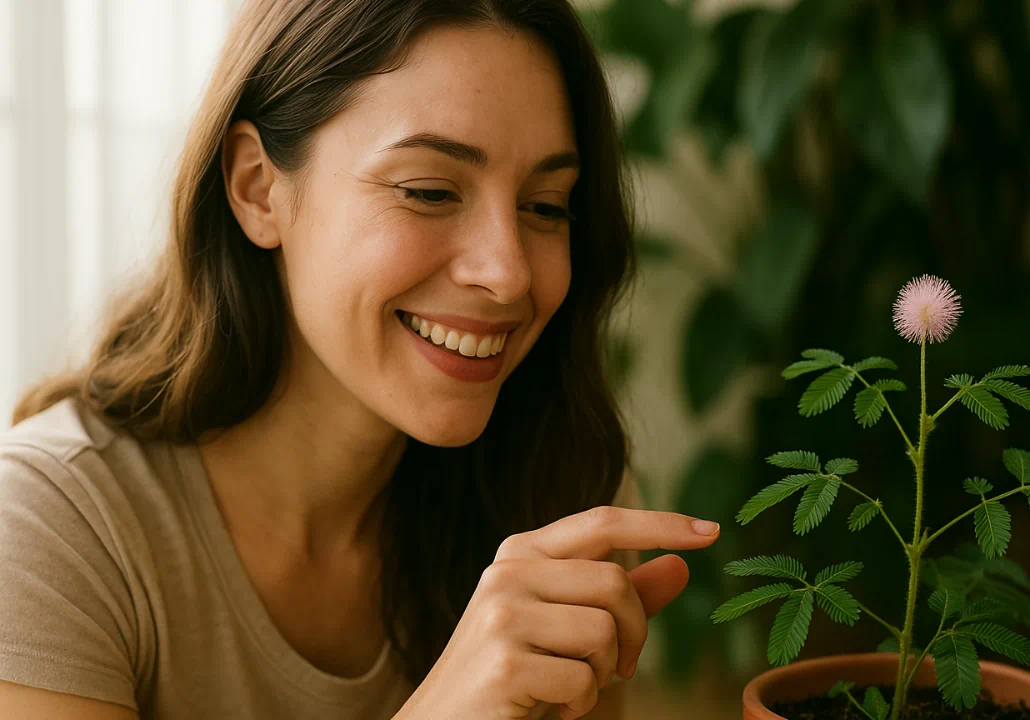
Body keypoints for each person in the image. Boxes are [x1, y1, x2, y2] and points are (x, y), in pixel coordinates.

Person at [0, 1, 722, 718]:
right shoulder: (44, 532)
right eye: (430, 191)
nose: (508, 273)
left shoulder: (551, 487)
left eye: (545, 206)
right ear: (257, 187)